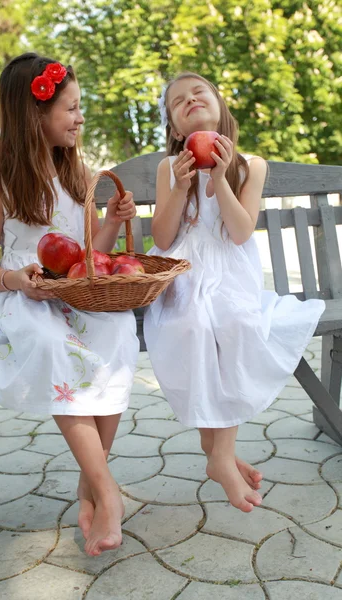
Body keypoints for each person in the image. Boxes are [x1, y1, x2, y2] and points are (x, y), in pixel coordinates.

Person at [0, 52, 140, 556]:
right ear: (36, 115)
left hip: (76, 291)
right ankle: (109, 493)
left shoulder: (79, 175)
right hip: (25, 299)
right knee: (54, 346)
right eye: (70, 109)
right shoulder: (0, 183)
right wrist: (19, 280)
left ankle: (89, 487)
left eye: (80, 107)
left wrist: (114, 221)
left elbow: (88, 251)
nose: (80, 118)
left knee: (117, 334)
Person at [144, 72, 325, 512]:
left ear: (221, 107)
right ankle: (220, 456)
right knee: (191, 324)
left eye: (198, 93)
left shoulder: (251, 165)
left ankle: (219, 456)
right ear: (173, 128)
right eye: (178, 102)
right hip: (183, 272)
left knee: (235, 321)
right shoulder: (169, 167)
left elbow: (241, 232)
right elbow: (164, 238)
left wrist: (221, 178)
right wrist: (184, 185)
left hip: (230, 273)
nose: (190, 101)